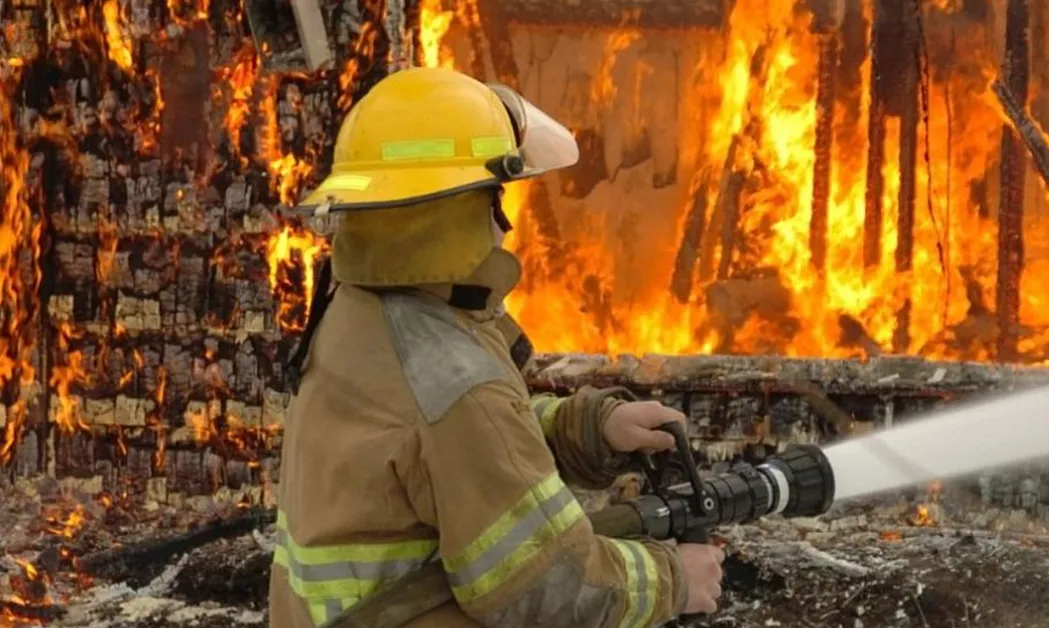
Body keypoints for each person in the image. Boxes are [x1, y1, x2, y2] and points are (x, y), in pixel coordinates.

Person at [268, 66, 725, 628]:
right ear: (463, 211)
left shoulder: (362, 313)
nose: (504, 224)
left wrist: (586, 429)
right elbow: (552, 589)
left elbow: (441, 449)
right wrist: (676, 579)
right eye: (495, 197)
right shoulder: (453, 379)